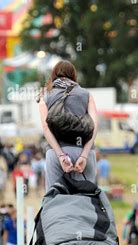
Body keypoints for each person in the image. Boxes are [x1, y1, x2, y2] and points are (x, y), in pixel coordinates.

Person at [38, 60, 98, 190]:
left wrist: (60, 155)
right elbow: (94, 126)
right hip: (83, 151)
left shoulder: (45, 95)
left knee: (53, 201)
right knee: (89, 199)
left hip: (56, 151)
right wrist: (84, 155)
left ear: (54, 74)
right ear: (73, 75)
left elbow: (46, 128)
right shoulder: (86, 94)